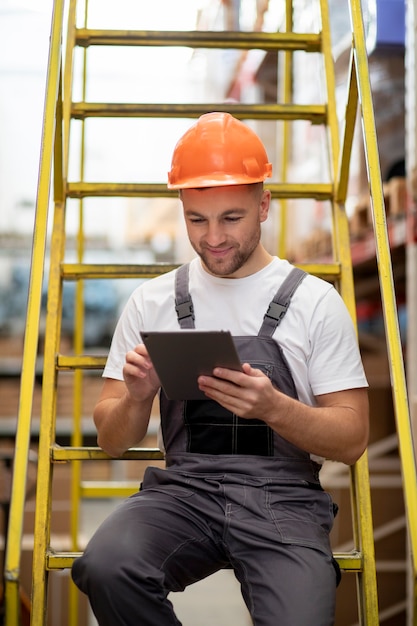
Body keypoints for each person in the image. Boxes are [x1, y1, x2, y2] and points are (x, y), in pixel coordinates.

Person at [72, 112, 369, 626]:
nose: (213, 238)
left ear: (264, 205)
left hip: (283, 501)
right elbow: (113, 442)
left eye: (231, 218)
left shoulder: (315, 303)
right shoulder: (152, 301)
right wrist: (137, 396)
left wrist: (275, 407)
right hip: (186, 494)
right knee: (106, 565)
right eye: (196, 219)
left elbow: (352, 437)